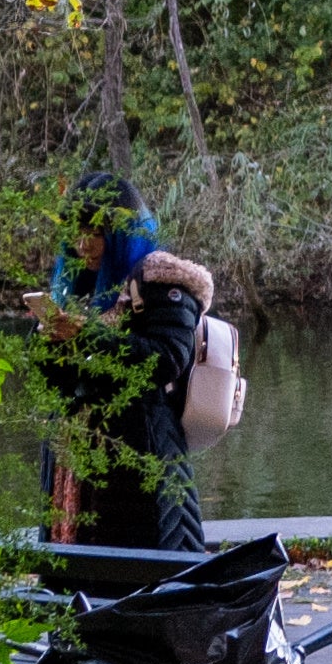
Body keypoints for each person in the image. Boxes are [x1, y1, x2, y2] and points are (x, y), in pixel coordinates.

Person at [44, 190, 219, 550]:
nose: (82, 245)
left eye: (95, 234)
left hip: (141, 451)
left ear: (121, 234)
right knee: (75, 573)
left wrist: (87, 335)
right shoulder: (78, 286)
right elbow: (57, 383)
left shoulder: (159, 282)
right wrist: (48, 345)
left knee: (148, 569)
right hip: (76, 455)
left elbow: (167, 358)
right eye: (75, 233)